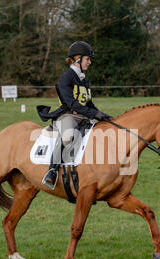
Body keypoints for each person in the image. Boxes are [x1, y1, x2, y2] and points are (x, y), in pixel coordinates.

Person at [41, 41, 112, 189]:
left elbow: (88, 103)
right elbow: (71, 104)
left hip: (84, 116)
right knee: (68, 136)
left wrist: (102, 115)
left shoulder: (83, 79)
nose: (90, 62)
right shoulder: (65, 78)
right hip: (68, 115)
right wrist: (93, 113)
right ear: (77, 59)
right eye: (88, 59)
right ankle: (52, 170)